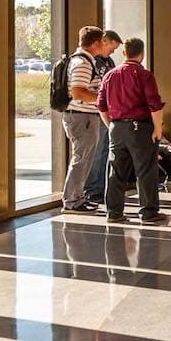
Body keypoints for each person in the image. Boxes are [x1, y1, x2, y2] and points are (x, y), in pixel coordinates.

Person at [95, 36, 166, 224]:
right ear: (142, 54)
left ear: (124, 52)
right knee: (145, 170)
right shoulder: (144, 75)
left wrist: (111, 124)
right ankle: (148, 212)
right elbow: (154, 105)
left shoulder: (109, 75)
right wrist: (157, 128)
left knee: (115, 171)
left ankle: (114, 212)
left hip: (117, 127)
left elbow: (101, 105)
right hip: (140, 128)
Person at [58, 26, 108, 212]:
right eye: (102, 41)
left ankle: (77, 197)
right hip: (82, 117)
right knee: (81, 159)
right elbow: (78, 92)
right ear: (95, 43)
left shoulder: (84, 61)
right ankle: (71, 201)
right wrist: (102, 98)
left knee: (84, 159)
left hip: (83, 116)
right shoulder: (83, 63)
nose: (103, 45)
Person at [84, 30, 122, 207]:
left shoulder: (108, 62)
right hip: (94, 112)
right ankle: (91, 190)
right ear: (103, 42)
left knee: (106, 151)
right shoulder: (91, 61)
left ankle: (100, 188)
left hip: (108, 112)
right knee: (97, 152)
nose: (112, 52)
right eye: (111, 48)